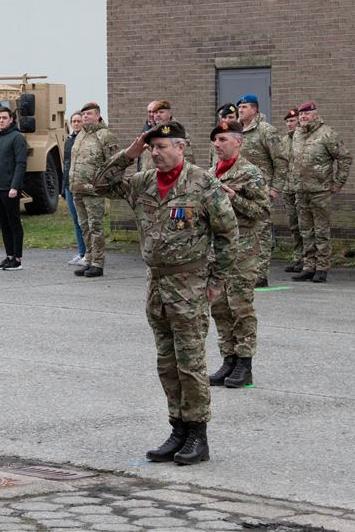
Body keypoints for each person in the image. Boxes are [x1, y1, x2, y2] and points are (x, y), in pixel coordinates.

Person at [93, 121, 238, 465]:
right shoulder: (142, 182)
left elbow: (228, 234)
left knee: (191, 363)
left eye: (162, 147)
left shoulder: (203, 184)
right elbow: (100, 184)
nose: (155, 153)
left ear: (182, 148)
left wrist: (217, 281)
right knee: (167, 362)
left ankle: (197, 435)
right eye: (151, 147)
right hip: (156, 285)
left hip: (190, 284)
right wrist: (129, 154)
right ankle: (177, 428)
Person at [207, 121, 270, 388]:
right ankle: (228, 359)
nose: (217, 145)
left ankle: (245, 364)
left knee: (240, 306)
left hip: (243, 249)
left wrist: (234, 197)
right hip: (215, 250)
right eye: (215, 140)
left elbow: (263, 212)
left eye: (222, 139)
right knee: (219, 307)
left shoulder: (251, 173)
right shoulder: (210, 173)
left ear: (238, 142)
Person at [290, 101, 353, 283]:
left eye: (307, 114)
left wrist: (338, 182)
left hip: (320, 191)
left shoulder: (327, 133)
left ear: (315, 115)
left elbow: (344, 157)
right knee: (306, 230)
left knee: (321, 230)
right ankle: (309, 266)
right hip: (301, 191)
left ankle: (322, 267)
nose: (303, 117)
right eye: (301, 115)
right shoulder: (297, 134)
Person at [236, 94, 288, 288]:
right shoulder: (236, 131)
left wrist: (275, 187)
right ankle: (243, 270)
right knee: (240, 232)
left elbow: (281, 160)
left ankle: (260, 274)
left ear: (255, 109)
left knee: (261, 232)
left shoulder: (266, 131)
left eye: (245, 106)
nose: (241, 109)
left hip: (260, 191)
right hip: (237, 190)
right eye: (239, 106)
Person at [69, 101, 119, 278]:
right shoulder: (80, 135)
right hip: (77, 189)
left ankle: (98, 262)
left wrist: (107, 185)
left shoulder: (105, 135)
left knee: (95, 226)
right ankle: (88, 259)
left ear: (97, 115)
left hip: (94, 191)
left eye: (88, 114)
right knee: (84, 227)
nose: (85, 117)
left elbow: (114, 163)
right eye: (83, 115)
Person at [0, 106, 28, 271]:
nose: (1, 120)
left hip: (10, 189)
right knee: (4, 224)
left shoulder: (17, 137)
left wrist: (15, 186)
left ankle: (17, 259)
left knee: (14, 223)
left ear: (11, 119)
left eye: (4, 118)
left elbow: (21, 164)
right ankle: (9, 256)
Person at [138, 99, 195, 171]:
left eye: (161, 112)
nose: (158, 115)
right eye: (156, 112)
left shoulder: (178, 132)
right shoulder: (149, 132)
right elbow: (143, 159)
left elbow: (188, 158)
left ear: (169, 114)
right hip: (150, 177)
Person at [281, 108, 304, 272]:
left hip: (302, 188)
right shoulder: (283, 141)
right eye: (287, 122)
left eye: (292, 121)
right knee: (294, 225)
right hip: (288, 188)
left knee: (305, 226)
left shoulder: (304, 139)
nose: (289, 124)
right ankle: (298, 257)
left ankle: (308, 259)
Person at [62, 112, 86, 265]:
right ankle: (81, 252)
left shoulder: (86, 140)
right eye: (73, 121)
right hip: (68, 185)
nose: (76, 124)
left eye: (78, 121)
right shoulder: (69, 140)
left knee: (84, 221)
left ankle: (89, 253)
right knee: (76, 221)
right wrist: (62, 186)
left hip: (81, 185)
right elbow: (65, 164)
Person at [208, 103, 238, 167]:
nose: (227, 120)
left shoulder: (241, 136)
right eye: (223, 117)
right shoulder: (216, 136)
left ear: (237, 118)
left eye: (231, 117)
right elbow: (212, 159)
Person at [137, 101, 157, 171]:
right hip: (145, 174)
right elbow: (141, 155)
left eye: (153, 112)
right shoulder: (145, 129)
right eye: (149, 112)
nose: (151, 114)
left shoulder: (165, 130)